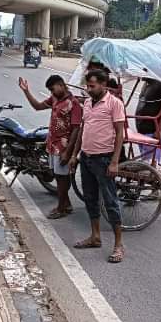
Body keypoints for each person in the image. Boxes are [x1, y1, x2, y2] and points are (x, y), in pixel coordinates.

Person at [68, 69, 127, 263]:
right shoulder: (87, 103)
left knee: (110, 201)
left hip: (104, 159)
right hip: (86, 157)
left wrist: (115, 161)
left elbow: (120, 134)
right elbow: (83, 129)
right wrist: (75, 155)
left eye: (92, 86)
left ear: (103, 84)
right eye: (88, 85)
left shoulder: (114, 104)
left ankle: (118, 245)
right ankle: (95, 236)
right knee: (90, 198)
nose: (88, 89)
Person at [18, 75, 82, 219]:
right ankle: (66, 204)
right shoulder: (54, 99)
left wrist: (68, 152)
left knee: (62, 178)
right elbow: (37, 106)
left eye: (52, 89)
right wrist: (26, 91)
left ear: (61, 85)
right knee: (58, 177)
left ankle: (61, 207)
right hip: (52, 144)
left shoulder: (74, 104)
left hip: (63, 146)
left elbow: (76, 129)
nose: (51, 93)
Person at [133, 78, 161, 164]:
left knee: (149, 165)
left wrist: (159, 130)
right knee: (144, 162)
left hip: (153, 131)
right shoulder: (147, 84)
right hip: (143, 129)